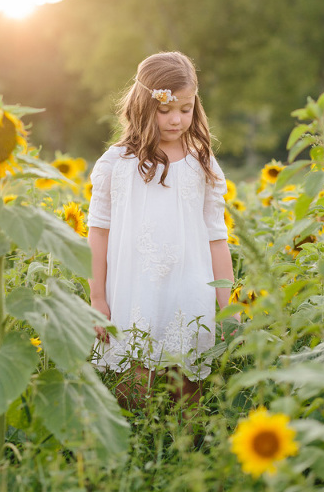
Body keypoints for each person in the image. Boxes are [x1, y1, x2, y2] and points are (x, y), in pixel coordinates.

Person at [87, 51, 236, 411]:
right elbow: (98, 234)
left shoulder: (202, 162)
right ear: (142, 104)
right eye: (165, 110)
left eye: (186, 109)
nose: (176, 119)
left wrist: (228, 306)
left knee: (187, 390)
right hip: (132, 287)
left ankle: (184, 455)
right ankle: (137, 456)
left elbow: (217, 236)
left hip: (189, 286)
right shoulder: (115, 163)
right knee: (132, 387)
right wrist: (97, 298)